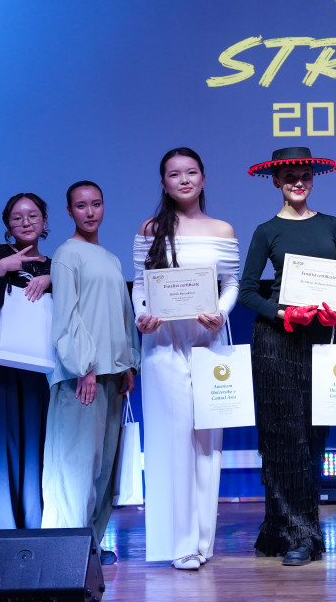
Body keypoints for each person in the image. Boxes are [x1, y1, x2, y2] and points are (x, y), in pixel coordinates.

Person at [238, 146, 336, 566]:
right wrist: (282, 313)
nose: (298, 182)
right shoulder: (266, 230)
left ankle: (278, 528)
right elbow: (248, 291)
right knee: (283, 438)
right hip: (277, 340)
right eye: (290, 177)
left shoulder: (332, 225)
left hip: (318, 339)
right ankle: (300, 534)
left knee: (313, 438)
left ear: (312, 179)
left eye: (305, 175)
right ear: (276, 182)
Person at [131, 148, 239, 570]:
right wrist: (142, 314)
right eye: (174, 174)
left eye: (191, 172)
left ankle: (202, 541)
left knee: (208, 441)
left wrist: (221, 313)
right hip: (163, 342)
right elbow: (141, 284)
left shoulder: (222, 229)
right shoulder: (150, 229)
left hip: (208, 339)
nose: (184, 180)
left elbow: (231, 283)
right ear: (163, 183)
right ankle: (179, 544)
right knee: (174, 438)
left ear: (203, 178)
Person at [42, 180, 139, 565]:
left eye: (96, 204)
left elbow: (122, 314)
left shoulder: (111, 258)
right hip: (82, 376)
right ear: (69, 211)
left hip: (113, 375)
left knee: (103, 468)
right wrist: (84, 366)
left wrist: (128, 362)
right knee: (76, 464)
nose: (90, 212)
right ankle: (67, 548)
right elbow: (66, 316)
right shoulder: (67, 254)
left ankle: (91, 545)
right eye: (81, 206)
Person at [0, 192, 53, 529]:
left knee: (35, 439)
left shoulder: (55, 265)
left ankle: (34, 524)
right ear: (7, 224)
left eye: (33, 215)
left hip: (37, 362)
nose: (25, 222)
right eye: (17, 217)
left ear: (45, 221)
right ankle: (0, 527)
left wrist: (53, 279)